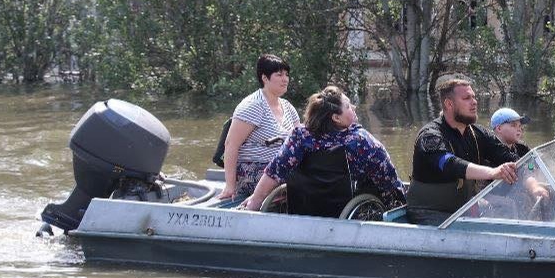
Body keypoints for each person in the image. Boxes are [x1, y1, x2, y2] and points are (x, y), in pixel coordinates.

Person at [243, 86, 406, 216]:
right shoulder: (360, 141)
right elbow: (388, 180)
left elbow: (275, 171)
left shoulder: (299, 137)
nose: (354, 107)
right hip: (346, 210)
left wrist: (256, 200)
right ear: (336, 118)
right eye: (348, 106)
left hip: (303, 208)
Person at [407, 76, 520, 225]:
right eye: (467, 98)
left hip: (464, 207)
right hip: (430, 213)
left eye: (474, 97)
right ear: (449, 104)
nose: (474, 102)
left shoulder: (477, 133)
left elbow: (509, 157)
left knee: (508, 208)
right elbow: (450, 164)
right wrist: (493, 172)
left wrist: (533, 181)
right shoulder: (430, 136)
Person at [218, 54, 301, 201]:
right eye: (279, 75)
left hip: (280, 168)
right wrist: (229, 187)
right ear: (265, 78)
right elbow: (230, 145)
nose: (285, 79)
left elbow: (300, 141)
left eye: (287, 75)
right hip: (252, 171)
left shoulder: (288, 107)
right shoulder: (253, 105)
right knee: (296, 184)